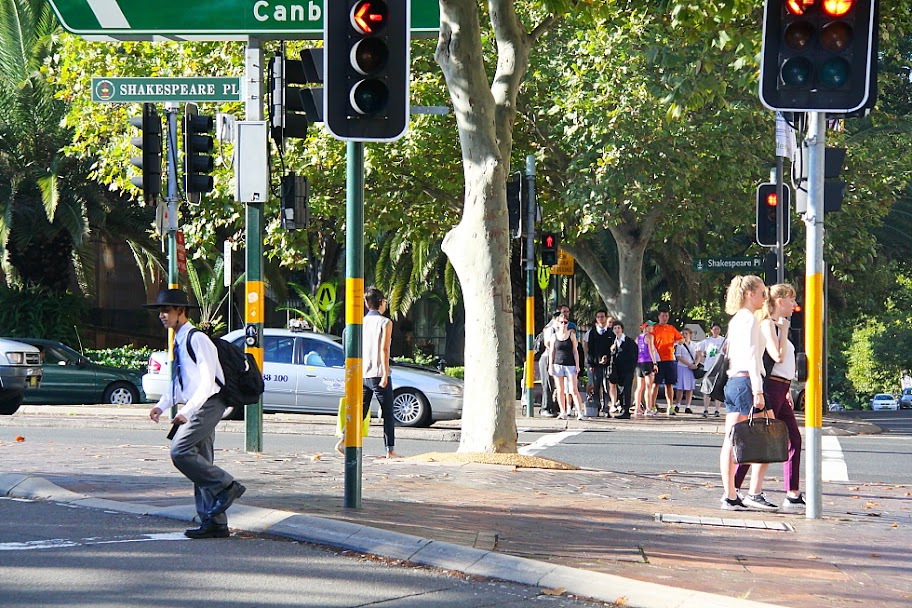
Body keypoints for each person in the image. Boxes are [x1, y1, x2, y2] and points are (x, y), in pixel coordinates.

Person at [145, 288, 245, 539]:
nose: (162, 315)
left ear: (182, 312)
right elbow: (181, 383)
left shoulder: (198, 339)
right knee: (201, 463)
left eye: (167, 310)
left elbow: (207, 382)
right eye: (160, 311)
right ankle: (215, 522)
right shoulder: (178, 340)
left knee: (180, 451)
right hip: (197, 404)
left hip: (209, 404)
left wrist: (187, 412)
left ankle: (227, 485)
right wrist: (162, 405)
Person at [734, 283, 805, 512]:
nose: (794, 305)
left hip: (781, 389)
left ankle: (792, 492)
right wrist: (783, 331)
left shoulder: (775, 324)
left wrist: (788, 392)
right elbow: (778, 356)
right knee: (761, 440)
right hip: (771, 388)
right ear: (781, 301)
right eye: (791, 299)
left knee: (792, 439)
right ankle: (737, 489)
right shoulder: (767, 324)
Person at [719, 275, 774, 512]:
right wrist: (758, 389)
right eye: (762, 293)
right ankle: (750, 492)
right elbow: (752, 356)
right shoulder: (750, 320)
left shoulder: (735, 320)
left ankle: (731, 494)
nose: (765, 297)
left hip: (734, 381)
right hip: (745, 382)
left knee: (731, 439)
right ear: (750, 294)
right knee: (765, 435)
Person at [362, 287, 399, 458]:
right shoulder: (385, 322)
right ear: (381, 303)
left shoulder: (361, 322)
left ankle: (345, 438)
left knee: (361, 411)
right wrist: (385, 373)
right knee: (388, 412)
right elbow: (384, 349)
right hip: (378, 372)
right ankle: (389, 449)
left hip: (363, 373)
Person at [548, 315, 586, 420]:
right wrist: (550, 366)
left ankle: (580, 412)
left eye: (565, 322)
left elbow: (575, 351)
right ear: (558, 323)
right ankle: (563, 411)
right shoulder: (554, 336)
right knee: (560, 389)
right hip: (557, 364)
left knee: (573, 389)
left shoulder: (571, 335)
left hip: (570, 364)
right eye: (561, 322)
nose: (563, 324)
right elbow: (552, 352)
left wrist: (577, 365)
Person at [652, 305, 684, 416]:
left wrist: (678, 342)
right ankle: (652, 405)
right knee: (655, 384)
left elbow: (681, 339)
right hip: (658, 359)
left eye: (666, 316)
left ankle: (670, 406)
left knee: (669, 384)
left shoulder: (671, 328)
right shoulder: (654, 328)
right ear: (659, 316)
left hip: (670, 359)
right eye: (663, 316)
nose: (664, 318)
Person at [584, 310, 613, 417]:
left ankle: (606, 407)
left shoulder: (610, 332)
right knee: (596, 386)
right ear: (596, 319)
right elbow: (589, 350)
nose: (601, 319)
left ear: (605, 318)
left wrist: (608, 358)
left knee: (606, 387)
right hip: (596, 365)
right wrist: (590, 364)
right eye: (599, 317)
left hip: (607, 365)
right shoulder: (592, 333)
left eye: (602, 317)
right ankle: (596, 406)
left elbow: (613, 349)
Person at [609, 321, 638, 419]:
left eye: (618, 328)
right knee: (620, 390)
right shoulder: (614, 342)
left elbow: (634, 355)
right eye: (615, 328)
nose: (617, 330)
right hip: (618, 370)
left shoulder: (629, 341)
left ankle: (626, 410)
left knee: (627, 390)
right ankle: (622, 407)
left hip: (628, 370)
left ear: (622, 329)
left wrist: (631, 368)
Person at [696, 322, 726, 417]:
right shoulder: (707, 341)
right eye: (714, 329)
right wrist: (700, 357)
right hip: (709, 367)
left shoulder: (724, 340)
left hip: (720, 366)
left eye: (717, 329)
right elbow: (698, 348)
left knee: (718, 388)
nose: (716, 331)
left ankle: (717, 409)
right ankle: (705, 409)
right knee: (707, 388)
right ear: (711, 330)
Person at [536, 311, 562, 417]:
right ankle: (545, 408)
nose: (563, 323)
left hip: (555, 358)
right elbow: (548, 344)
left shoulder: (560, 330)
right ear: (555, 319)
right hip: (547, 358)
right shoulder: (550, 329)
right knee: (547, 384)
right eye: (561, 320)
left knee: (552, 385)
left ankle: (552, 407)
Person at [633, 321, 659, 418]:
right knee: (648, 386)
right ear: (646, 327)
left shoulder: (638, 338)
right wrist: (655, 363)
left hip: (639, 363)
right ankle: (648, 408)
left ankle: (637, 408)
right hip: (648, 362)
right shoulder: (649, 337)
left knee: (639, 387)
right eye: (651, 326)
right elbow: (651, 350)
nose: (652, 328)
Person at [673, 328, 699, 414]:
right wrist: (689, 364)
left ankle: (688, 406)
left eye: (686, 333)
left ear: (690, 334)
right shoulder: (680, 345)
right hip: (682, 366)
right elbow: (679, 357)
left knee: (689, 388)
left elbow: (698, 355)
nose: (684, 335)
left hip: (691, 368)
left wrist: (695, 364)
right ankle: (678, 404)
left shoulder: (694, 345)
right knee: (680, 387)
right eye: (683, 334)